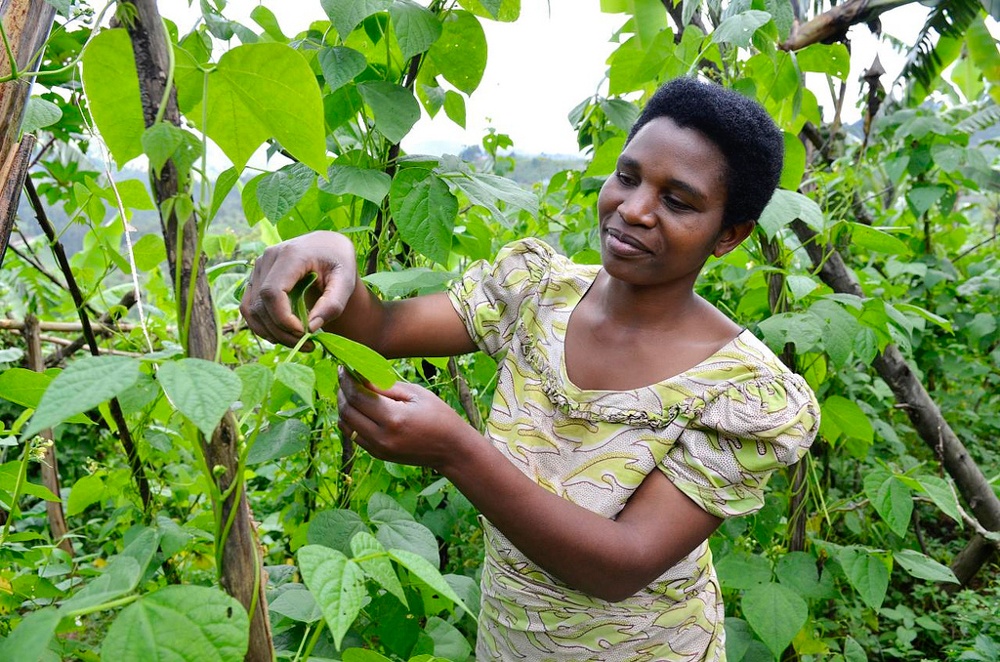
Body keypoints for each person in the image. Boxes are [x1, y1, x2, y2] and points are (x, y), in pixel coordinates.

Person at [241, 76, 820, 661]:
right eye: (627, 176)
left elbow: (620, 566)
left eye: (677, 201)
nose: (634, 209)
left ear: (729, 235)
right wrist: (328, 257)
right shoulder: (537, 294)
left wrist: (455, 450)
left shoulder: (743, 393)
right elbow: (381, 328)